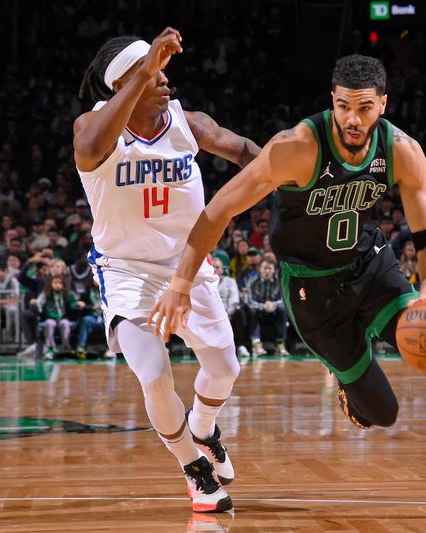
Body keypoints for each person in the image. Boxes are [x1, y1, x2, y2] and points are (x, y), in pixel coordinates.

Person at [149, 54, 426, 523]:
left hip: (371, 266)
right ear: (331, 102)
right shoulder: (296, 146)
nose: (351, 120)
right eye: (341, 107)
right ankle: (350, 386)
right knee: (383, 412)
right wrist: (180, 282)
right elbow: (217, 211)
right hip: (312, 292)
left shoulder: (401, 150)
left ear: (383, 104)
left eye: (362, 108)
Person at [74, 28, 261, 512]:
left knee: (225, 368)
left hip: (187, 268)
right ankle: (193, 470)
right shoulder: (91, 129)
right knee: (154, 374)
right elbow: (92, 147)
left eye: (160, 72)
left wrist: (294, 184)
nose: (165, 82)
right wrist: (140, 72)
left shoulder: (188, 123)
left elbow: (243, 151)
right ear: (123, 85)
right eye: (151, 75)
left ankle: (203, 429)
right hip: (126, 271)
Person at [246, 258, 289, 356]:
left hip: (274, 310)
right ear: (260, 269)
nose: (267, 271)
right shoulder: (253, 281)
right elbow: (249, 300)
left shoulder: (279, 281)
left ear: (274, 270)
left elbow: (284, 298)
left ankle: (280, 344)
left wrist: (273, 305)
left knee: (282, 308)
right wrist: (263, 306)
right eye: (265, 268)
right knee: (252, 310)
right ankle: (256, 344)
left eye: (270, 268)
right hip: (259, 311)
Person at [36, 274, 83, 358]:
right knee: (49, 324)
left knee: (65, 324)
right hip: (50, 318)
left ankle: (66, 346)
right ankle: (49, 347)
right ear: (51, 284)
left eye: (60, 283)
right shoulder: (46, 294)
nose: (58, 285)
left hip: (63, 318)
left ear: (63, 285)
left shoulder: (67, 294)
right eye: (55, 282)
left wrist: (77, 304)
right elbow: (39, 303)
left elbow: (72, 305)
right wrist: (35, 303)